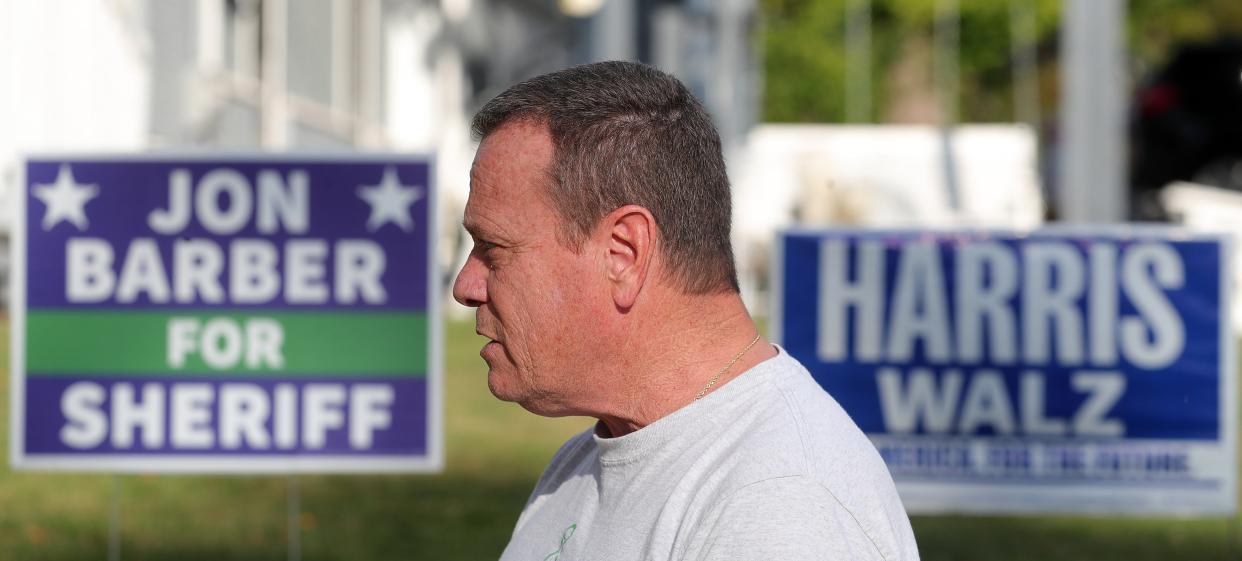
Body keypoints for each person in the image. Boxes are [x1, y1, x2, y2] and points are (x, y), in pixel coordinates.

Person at [453, 61, 919, 561]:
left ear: (623, 253)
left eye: (493, 249)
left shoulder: (779, 504)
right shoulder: (587, 461)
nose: (466, 285)